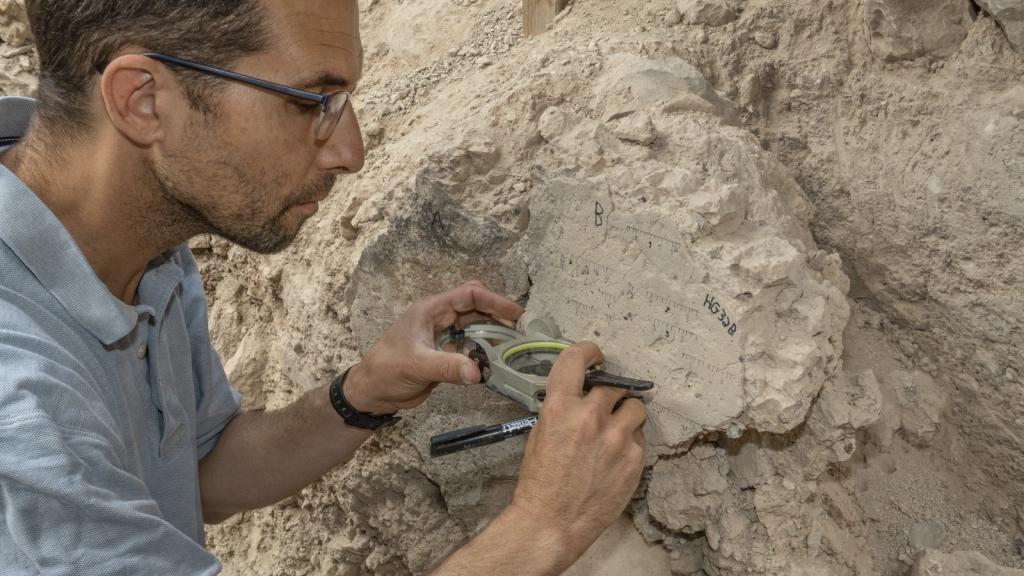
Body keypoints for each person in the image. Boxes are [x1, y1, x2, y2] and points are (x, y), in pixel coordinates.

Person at [0, 1, 647, 574]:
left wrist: (361, 393)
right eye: (314, 101)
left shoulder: (141, 246)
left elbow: (198, 475)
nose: (350, 149)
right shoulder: (25, 416)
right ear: (143, 100)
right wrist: (542, 527)